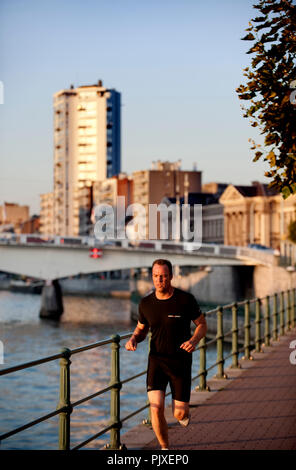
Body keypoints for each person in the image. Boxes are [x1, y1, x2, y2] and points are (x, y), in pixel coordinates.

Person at [125, 259, 207, 450]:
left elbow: (202, 325)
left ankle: (183, 414)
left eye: (163, 276)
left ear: (170, 276)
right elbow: (141, 329)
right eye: (155, 276)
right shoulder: (146, 303)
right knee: (155, 408)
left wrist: (193, 341)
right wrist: (134, 339)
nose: (159, 280)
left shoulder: (185, 300)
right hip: (157, 361)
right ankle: (165, 449)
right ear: (152, 277)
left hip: (181, 362)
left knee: (179, 414)